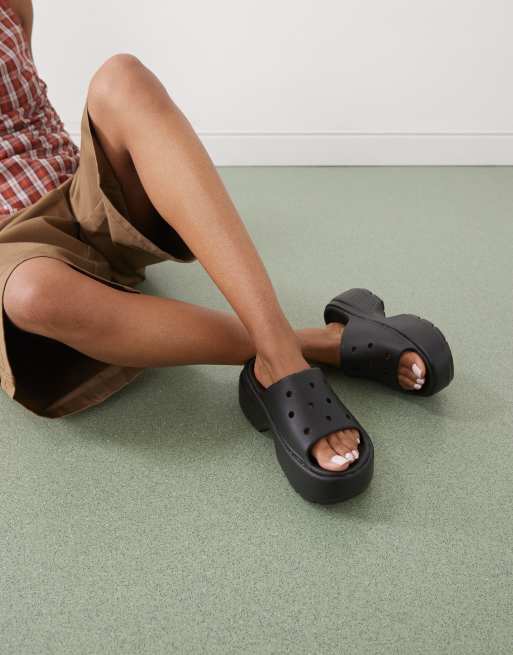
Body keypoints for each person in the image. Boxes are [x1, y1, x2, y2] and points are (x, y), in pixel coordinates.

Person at [0, 1, 449, 490]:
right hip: (11, 252)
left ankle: (278, 351)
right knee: (33, 295)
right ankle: (311, 346)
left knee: (121, 77)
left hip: (79, 195)